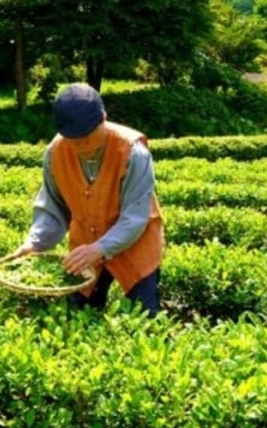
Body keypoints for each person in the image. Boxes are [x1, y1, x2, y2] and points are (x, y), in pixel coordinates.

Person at [12, 83, 164, 316]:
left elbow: (135, 216)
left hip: (137, 246)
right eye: (74, 140)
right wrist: (35, 243)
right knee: (78, 317)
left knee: (145, 317)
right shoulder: (55, 152)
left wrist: (100, 248)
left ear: (104, 119)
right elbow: (53, 206)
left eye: (88, 136)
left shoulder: (133, 152)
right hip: (85, 246)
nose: (82, 146)